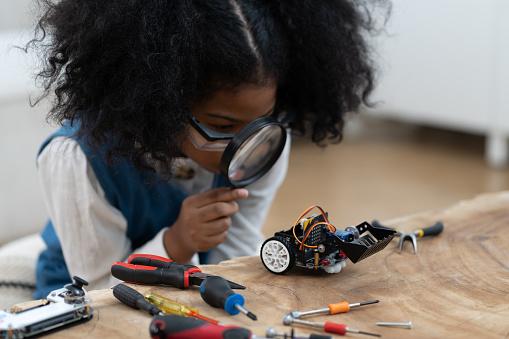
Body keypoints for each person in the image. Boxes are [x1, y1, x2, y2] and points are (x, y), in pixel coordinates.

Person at [28, 0, 386, 298]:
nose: (246, 144)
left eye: (260, 120)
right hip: (90, 301)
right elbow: (101, 290)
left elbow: (236, 254)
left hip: (193, 291)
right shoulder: (78, 159)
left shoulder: (264, 145)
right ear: (160, 104)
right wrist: (176, 242)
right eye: (223, 126)